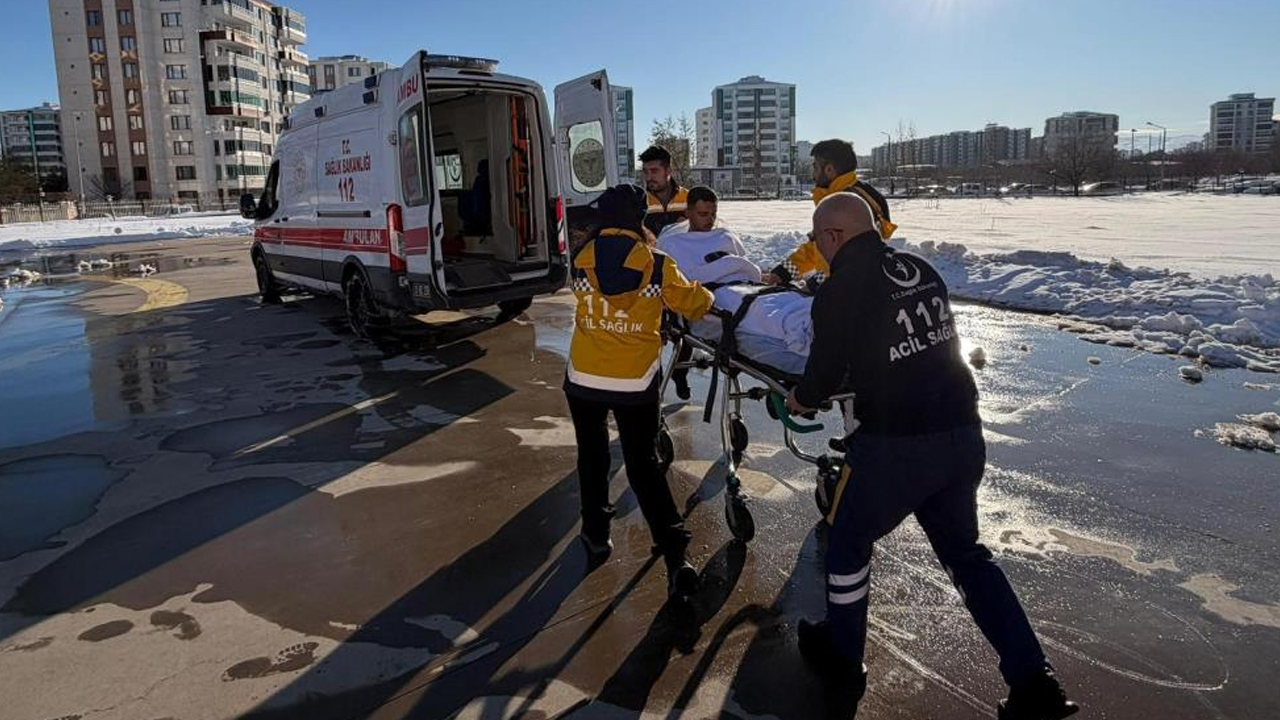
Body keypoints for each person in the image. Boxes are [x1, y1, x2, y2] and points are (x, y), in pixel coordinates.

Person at [784, 193, 1078, 720]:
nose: (815, 249)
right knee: (967, 555)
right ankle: (1036, 681)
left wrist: (799, 400)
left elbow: (824, 374)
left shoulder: (839, 289)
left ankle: (844, 657)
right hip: (962, 432)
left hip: (896, 446)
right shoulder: (919, 267)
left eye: (815, 239)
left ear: (833, 237)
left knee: (848, 545)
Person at [565, 184, 714, 599]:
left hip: (584, 379)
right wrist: (705, 295)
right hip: (635, 383)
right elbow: (693, 305)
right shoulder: (658, 265)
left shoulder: (579, 260)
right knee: (643, 466)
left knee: (592, 456)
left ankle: (595, 532)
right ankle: (674, 553)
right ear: (640, 219)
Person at [763, 139, 897, 287]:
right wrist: (782, 273)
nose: (813, 175)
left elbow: (860, 260)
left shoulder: (851, 203)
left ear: (829, 170)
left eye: (815, 168)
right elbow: (819, 247)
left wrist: (819, 283)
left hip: (852, 298)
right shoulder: (840, 196)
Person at [656, 185, 745, 400]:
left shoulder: (725, 237)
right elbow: (669, 281)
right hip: (695, 298)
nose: (710, 220)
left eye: (713, 214)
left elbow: (742, 266)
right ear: (687, 213)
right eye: (703, 214)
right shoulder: (673, 244)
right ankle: (679, 373)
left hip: (732, 292)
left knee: (745, 309)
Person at [639, 145, 689, 238]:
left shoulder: (689, 198)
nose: (648, 177)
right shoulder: (638, 202)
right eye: (645, 171)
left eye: (654, 171)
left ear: (668, 171)